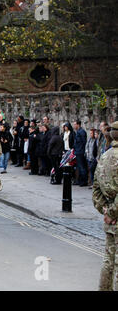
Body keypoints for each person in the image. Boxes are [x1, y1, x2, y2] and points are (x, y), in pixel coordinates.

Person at [92, 121, 117, 291]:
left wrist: (106, 211)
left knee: (108, 260)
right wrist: (113, 212)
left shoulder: (105, 156)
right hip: (115, 215)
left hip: (110, 218)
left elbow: (96, 188)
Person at [73, 120, 88, 187]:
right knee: (79, 166)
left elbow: (83, 142)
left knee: (82, 166)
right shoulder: (78, 132)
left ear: (78, 125)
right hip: (78, 151)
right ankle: (80, 180)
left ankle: (83, 181)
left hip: (80, 151)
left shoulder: (81, 132)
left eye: (75, 124)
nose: (74, 126)